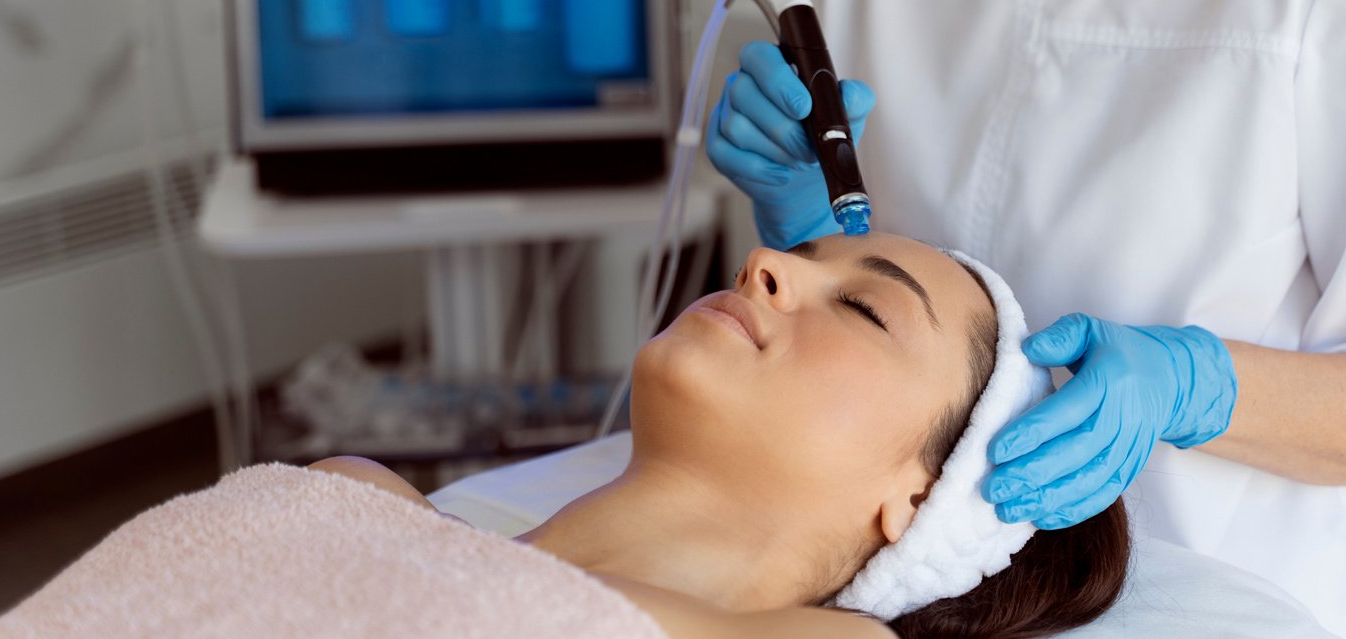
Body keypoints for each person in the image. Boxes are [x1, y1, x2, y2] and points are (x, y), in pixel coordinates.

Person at [704, 0, 1346, 636]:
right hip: (903, 608)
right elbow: (855, 275)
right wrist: (799, 221)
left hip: (1227, 602)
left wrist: (1199, 386)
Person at [314, 233, 1130, 638]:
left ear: (918, 498)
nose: (763, 259)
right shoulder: (354, 500)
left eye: (863, 307)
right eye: (799, 251)